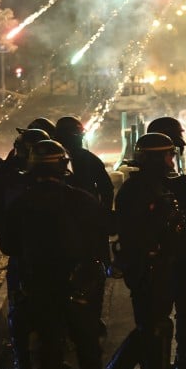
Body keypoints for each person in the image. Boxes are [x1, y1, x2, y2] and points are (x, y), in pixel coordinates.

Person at [3, 140, 117, 369]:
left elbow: (8, 244)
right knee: (88, 351)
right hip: (78, 287)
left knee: (49, 353)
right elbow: (106, 228)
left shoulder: (21, 203)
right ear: (63, 166)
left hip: (40, 287)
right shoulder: (79, 199)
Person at [103, 133, 186, 369]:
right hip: (148, 267)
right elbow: (141, 233)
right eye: (167, 155)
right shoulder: (139, 191)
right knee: (151, 328)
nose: (171, 160)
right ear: (155, 159)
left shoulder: (152, 186)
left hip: (158, 264)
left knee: (157, 327)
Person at [0, 127, 50, 369]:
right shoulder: (16, 179)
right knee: (30, 307)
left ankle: (28, 361)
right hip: (29, 252)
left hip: (29, 252)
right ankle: (27, 361)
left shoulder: (10, 175)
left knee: (30, 307)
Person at [146, 116, 186, 369]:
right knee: (166, 314)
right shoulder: (155, 187)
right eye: (170, 154)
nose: (173, 159)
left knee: (177, 310)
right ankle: (165, 368)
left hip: (174, 256)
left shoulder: (143, 185)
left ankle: (169, 364)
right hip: (165, 258)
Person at [53, 115, 116, 323]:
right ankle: (92, 320)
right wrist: (103, 214)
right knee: (95, 274)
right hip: (88, 227)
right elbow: (107, 189)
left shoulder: (53, 161)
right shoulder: (88, 159)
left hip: (62, 229)